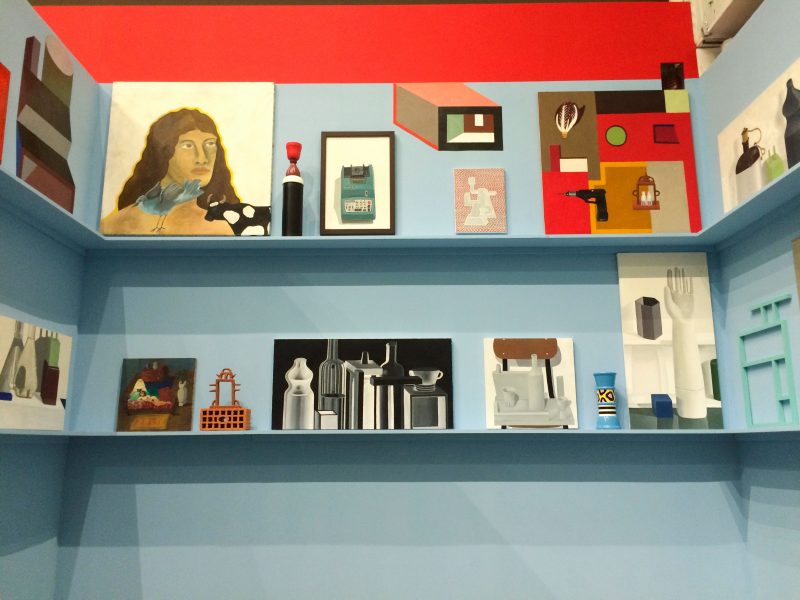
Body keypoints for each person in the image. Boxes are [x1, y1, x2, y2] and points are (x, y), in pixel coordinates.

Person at [101, 108, 240, 235]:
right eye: (188, 145)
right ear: (164, 153)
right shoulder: (114, 225)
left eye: (210, 144)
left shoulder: (223, 225)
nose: (202, 158)